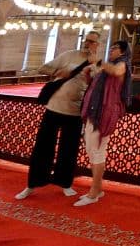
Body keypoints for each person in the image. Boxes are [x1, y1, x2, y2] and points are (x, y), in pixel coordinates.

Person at [17, 31, 99, 200]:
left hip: (74, 111)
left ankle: (65, 183)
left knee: (68, 150)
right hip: (54, 107)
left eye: (92, 42)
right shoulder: (69, 55)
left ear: (97, 45)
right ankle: (33, 183)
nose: (87, 44)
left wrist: (92, 71)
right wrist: (58, 73)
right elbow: (43, 68)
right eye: (86, 40)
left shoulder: (96, 63)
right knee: (43, 147)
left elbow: (98, 85)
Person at [75, 39, 131, 207]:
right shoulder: (107, 67)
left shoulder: (123, 64)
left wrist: (98, 61)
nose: (111, 50)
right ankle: (97, 189)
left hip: (105, 112)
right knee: (92, 149)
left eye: (114, 48)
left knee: (97, 150)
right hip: (95, 109)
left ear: (122, 51)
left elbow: (115, 71)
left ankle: (94, 192)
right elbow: (93, 85)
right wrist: (88, 73)